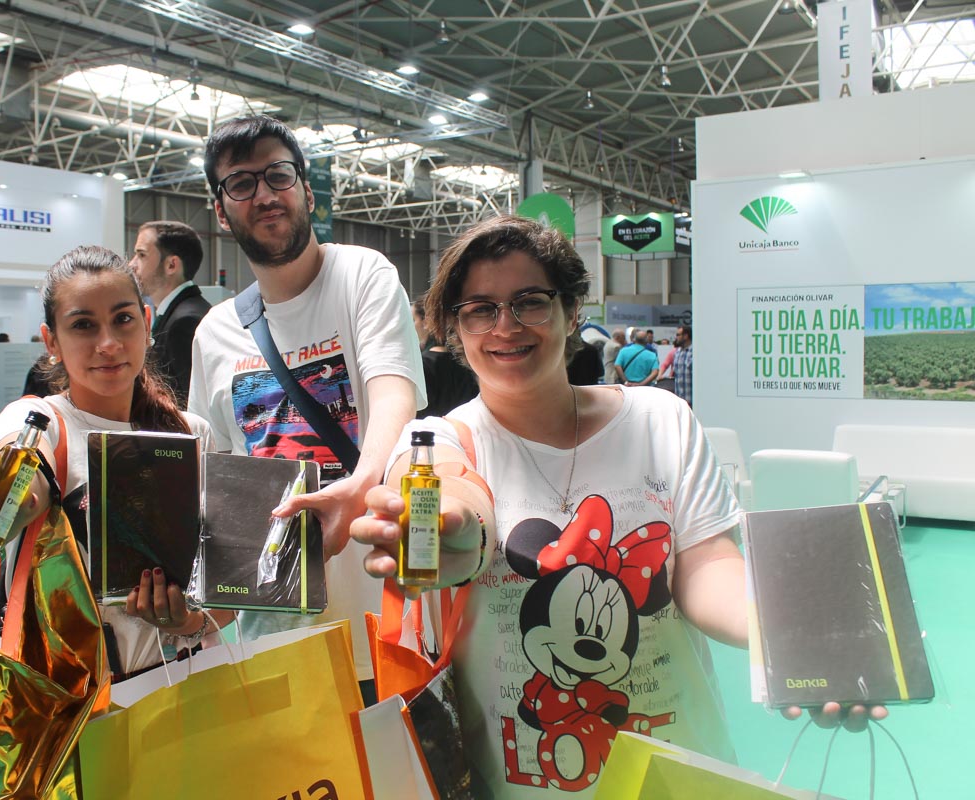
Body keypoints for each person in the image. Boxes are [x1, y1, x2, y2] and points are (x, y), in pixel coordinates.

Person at [351, 216, 883, 798]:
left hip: (676, 771)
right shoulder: (435, 442)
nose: (505, 327)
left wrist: (789, 634)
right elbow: (455, 497)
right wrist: (455, 538)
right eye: (479, 309)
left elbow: (707, 566)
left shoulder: (660, 420)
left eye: (529, 302)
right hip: (520, 781)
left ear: (571, 310)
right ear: (456, 328)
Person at [189, 114, 425, 695]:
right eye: (241, 184)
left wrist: (363, 484)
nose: (265, 194)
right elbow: (218, 482)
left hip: (380, 623)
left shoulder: (362, 275)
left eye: (278, 175)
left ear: (306, 189)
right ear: (221, 211)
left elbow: (393, 391)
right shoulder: (214, 333)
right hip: (271, 637)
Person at [0, 246, 222, 677]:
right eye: (83, 325)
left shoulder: (192, 433)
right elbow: (25, 476)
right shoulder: (39, 420)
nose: (108, 344)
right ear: (52, 341)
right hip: (76, 706)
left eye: (123, 319)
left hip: (191, 686)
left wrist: (187, 621)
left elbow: (227, 590)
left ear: (146, 323)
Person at [129, 220, 212, 405]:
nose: (132, 264)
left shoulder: (185, 322)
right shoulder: (179, 313)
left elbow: (190, 404)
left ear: (171, 265)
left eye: (141, 255)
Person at [413, 296, 479, 418]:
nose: (413, 325)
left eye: (414, 320)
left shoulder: (422, 365)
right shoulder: (474, 362)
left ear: (426, 322)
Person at [672, 324, 693, 407]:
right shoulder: (677, 352)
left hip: (692, 400)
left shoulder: (695, 351)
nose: (676, 337)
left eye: (678, 335)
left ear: (686, 336)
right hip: (680, 401)